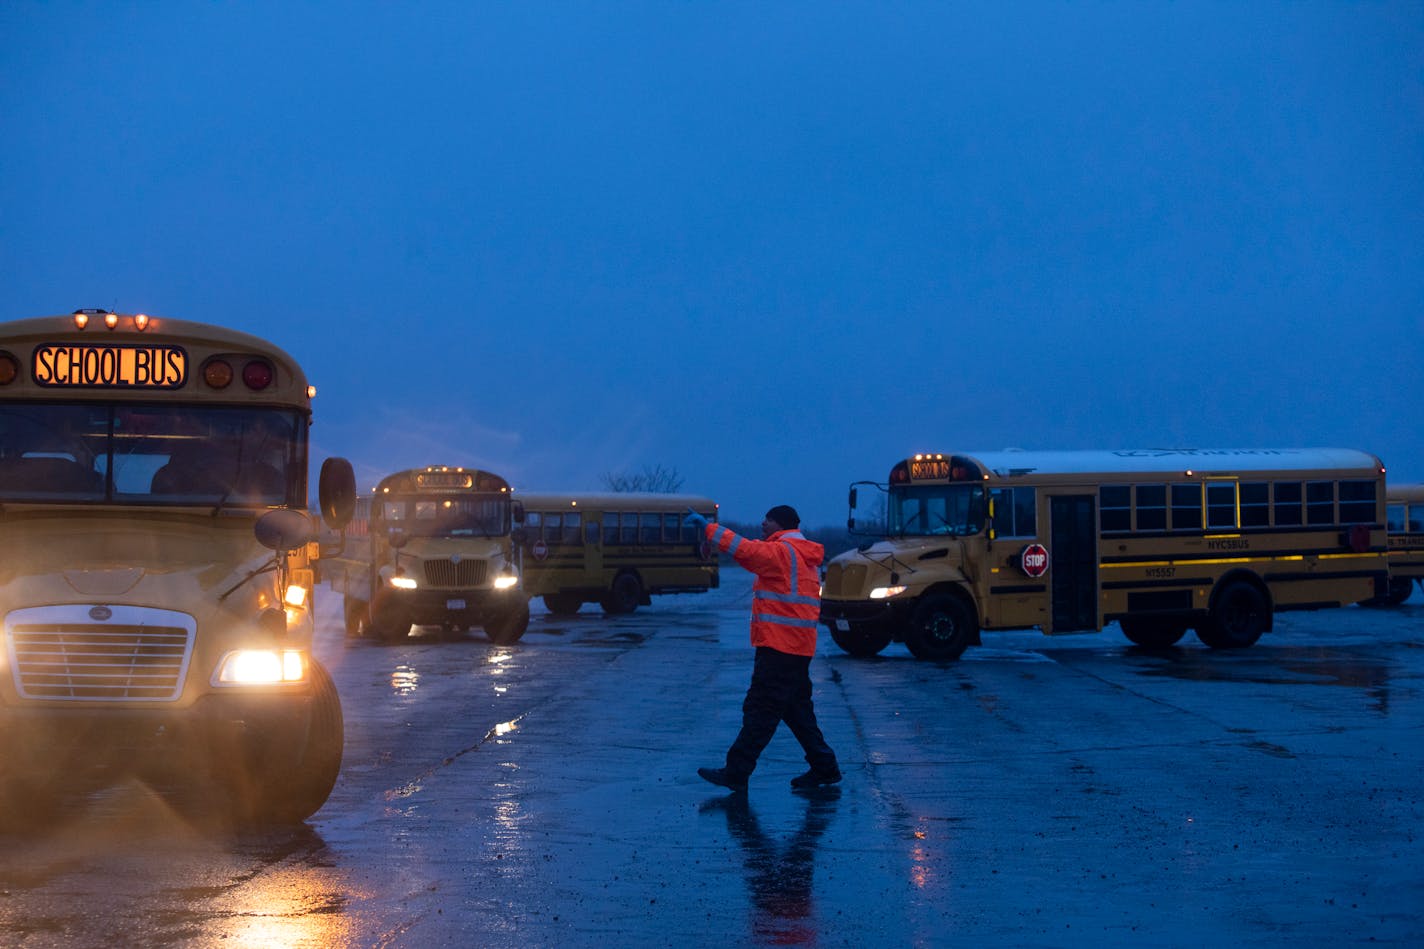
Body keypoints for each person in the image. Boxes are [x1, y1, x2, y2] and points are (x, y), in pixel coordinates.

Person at [684, 504, 842, 792]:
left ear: (780, 524)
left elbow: (745, 550)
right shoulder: (802, 554)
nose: (762, 524)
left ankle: (737, 771)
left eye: (767, 520)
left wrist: (707, 528)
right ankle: (825, 767)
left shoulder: (783, 553)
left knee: (761, 709)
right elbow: (752, 554)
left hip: (779, 646)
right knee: (797, 711)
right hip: (797, 647)